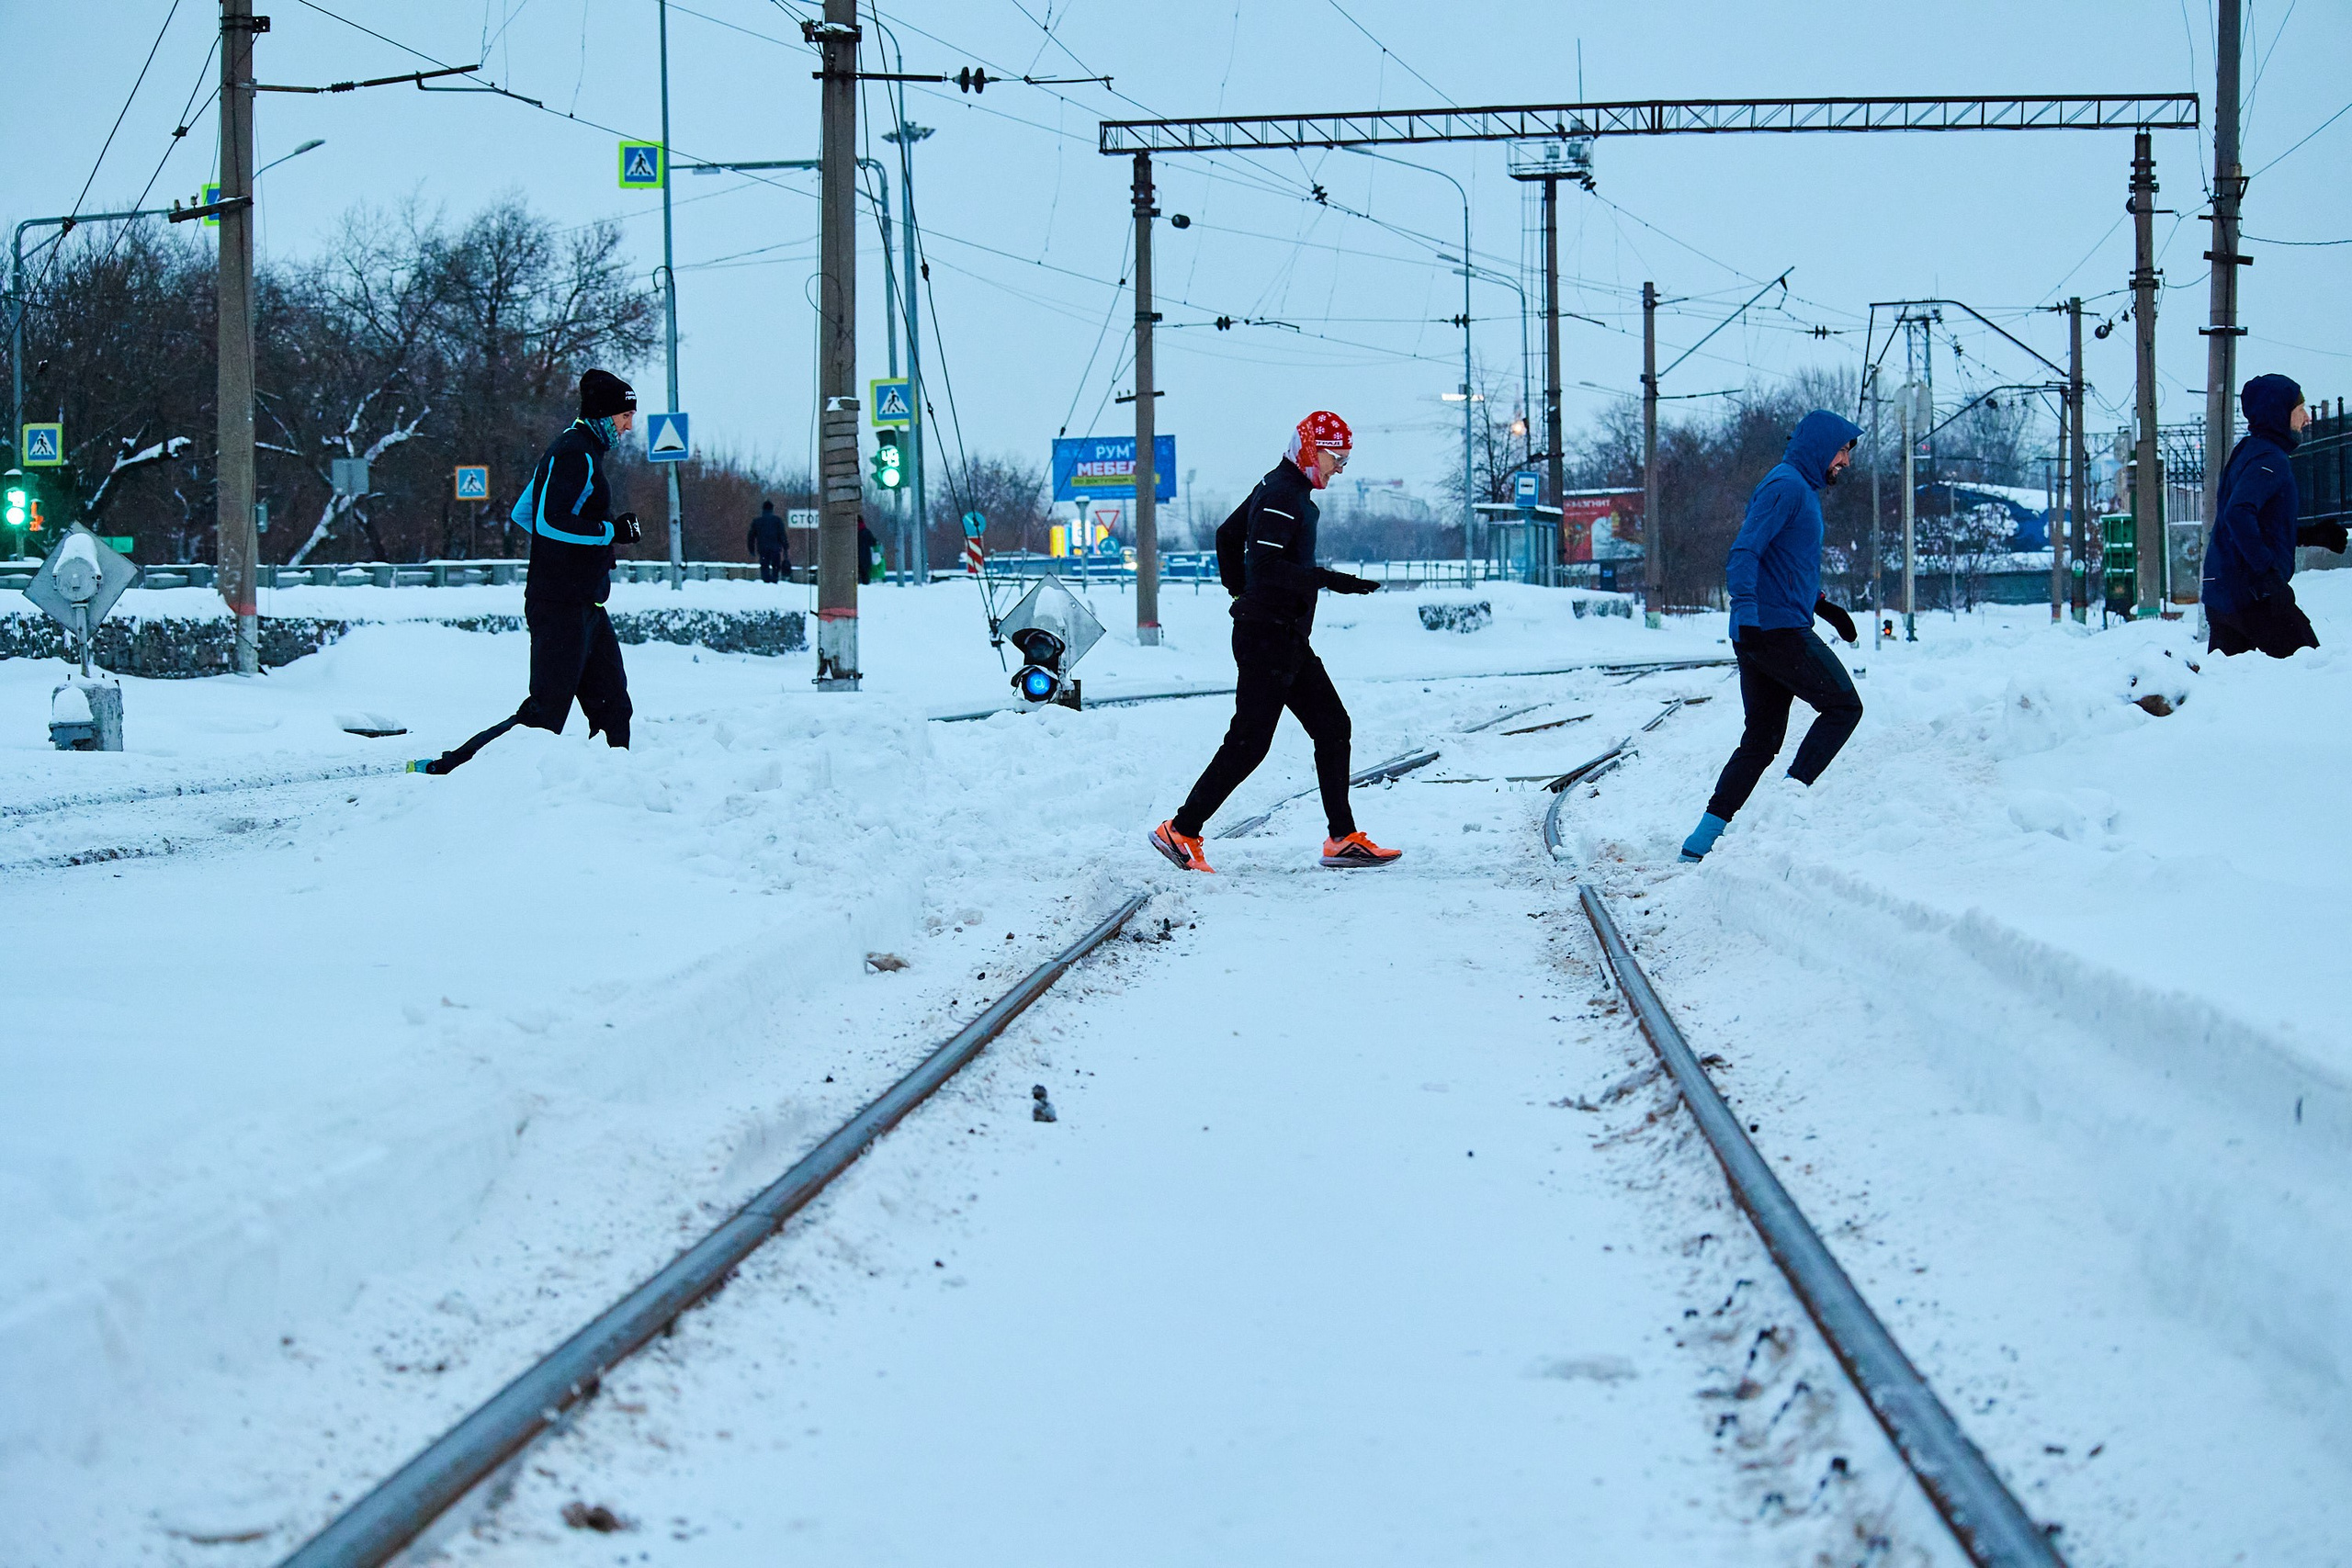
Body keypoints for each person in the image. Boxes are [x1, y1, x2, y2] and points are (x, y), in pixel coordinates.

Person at [1150, 410, 1401, 872]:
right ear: (1310, 448)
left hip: (1283, 636)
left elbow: (1228, 536)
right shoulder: (1283, 495)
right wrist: (1324, 579)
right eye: (1336, 458)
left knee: (1332, 726)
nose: (1340, 468)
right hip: (1267, 637)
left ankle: (1341, 837)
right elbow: (1266, 567)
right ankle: (1181, 830)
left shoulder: (1281, 487)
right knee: (1249, 741)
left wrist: (1238, 589)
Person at [414, 369, 641, 774]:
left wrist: (579, 554)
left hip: (584, 602)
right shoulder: (574, 452)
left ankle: (610, 793)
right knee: (544, 716)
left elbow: (525, 513)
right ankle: (449, 770)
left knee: (612, 707)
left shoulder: (584, 451)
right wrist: (610, 531)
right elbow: (548, 520)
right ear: (605, 415)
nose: (628, 426)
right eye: (625, 416)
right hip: (560, 604)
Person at [1679, 409, 1866, 863]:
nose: (1845, 462)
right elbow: (1745, 550)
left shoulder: (1800, 490)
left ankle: (1700, 842)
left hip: (1769, 625)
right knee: (1844, 707)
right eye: (1843, 451)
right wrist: (1747, 612)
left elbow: (1784, 564)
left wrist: (1823, 606)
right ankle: (1787, 802)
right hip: (1773, 629)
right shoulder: (1786, 486)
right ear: (1823, 447)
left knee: (1761, 740)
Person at [2202, 373, 2342, 657]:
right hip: (2252, 597)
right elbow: (2238, 514)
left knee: (2232, 689)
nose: (2307, 418)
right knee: (2311, 668)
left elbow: (2258, 522)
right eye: (2300, 409)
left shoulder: (2248, 451)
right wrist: (2269, 578)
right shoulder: (2269, 458)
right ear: (2280, 413)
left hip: (2225, 594)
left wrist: (2310, 535)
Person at [749, 499, 789, 583]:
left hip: (762, 548)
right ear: (772, 509)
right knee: (776, 565)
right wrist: (785, 547)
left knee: (764, 565)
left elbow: (751, 536)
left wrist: (751, 549)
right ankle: (774, 579)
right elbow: (782, 535)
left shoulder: (757, 521)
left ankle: (766, 580)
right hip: (775, 548)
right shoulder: (777, 521)